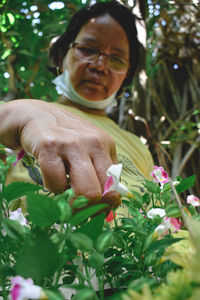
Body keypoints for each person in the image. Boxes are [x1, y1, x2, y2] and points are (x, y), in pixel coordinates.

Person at [0, 0, 153, 218]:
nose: (99, 66)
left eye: (117, 60)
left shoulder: (139, 147)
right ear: (62, 58)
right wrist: (23, 117)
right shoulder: (19, 116)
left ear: (125, 77)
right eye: (88, 49)